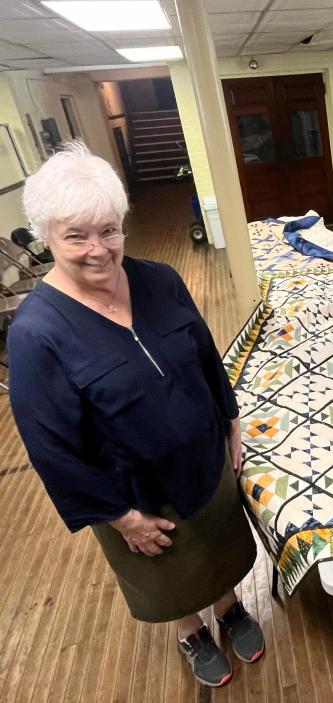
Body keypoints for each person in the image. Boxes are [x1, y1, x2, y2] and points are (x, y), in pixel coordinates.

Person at [8, 142, 264, 687]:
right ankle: (191, 631)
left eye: (109, 230)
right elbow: (52, 450)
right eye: (75, 236)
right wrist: (121, 517)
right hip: (134, 494)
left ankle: (229, 608)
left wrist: (230, 418)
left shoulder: (161, 280)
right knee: (170, 572)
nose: (98, 250)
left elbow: (204, 355)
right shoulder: (36, 333)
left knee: (218, 548)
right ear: (46, 237)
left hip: (204, 460)